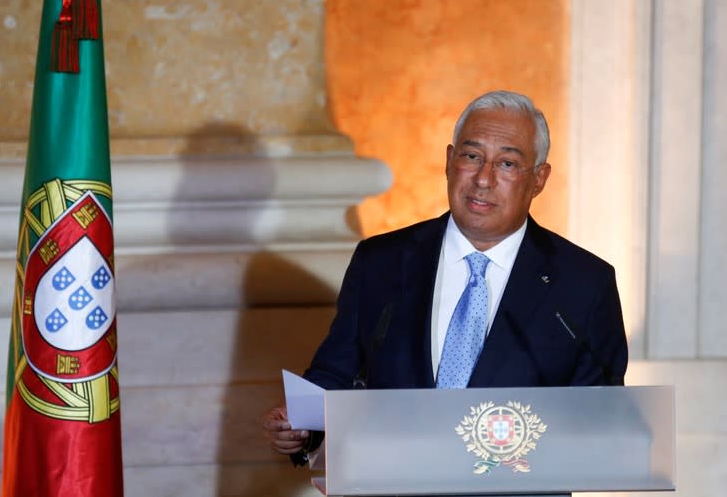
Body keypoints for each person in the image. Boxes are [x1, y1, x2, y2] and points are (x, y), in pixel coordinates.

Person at [262, 90, 628, 463]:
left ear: (539, 179)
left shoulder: (583, 284)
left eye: (507, 164)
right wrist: (303, 427)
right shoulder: (381, 262)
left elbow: (600, 416)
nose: (483, 179)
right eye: (472, 157)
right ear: (450, 161)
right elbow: (338, 371)